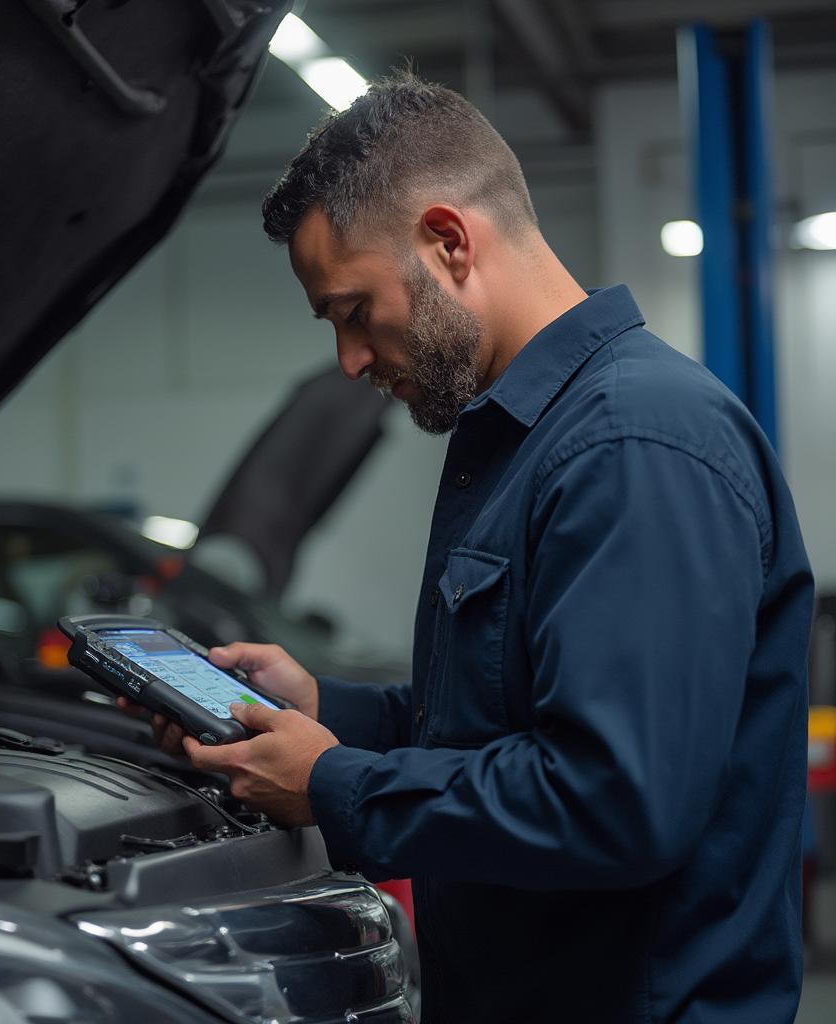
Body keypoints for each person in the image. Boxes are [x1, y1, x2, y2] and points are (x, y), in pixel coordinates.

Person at [123, 73, 815, 1022]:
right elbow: (506, 721)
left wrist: (332, 785)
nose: (351, 362)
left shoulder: (632, 445)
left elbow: (615, 800)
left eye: (355, 312)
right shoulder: (530, 446)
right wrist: (332, 712)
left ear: (448, 243)